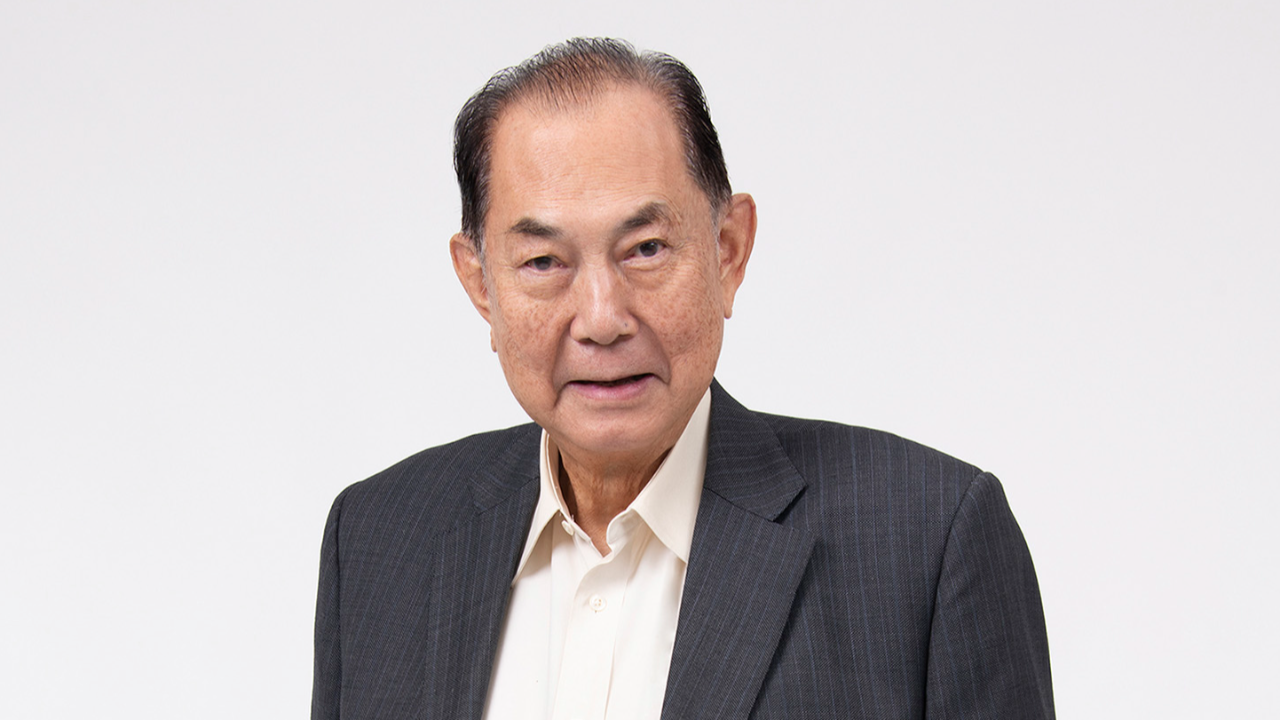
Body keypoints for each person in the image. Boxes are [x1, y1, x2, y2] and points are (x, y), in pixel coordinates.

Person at [312, 37, 1054, 720]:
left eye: (646, 249)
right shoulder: (377, 541)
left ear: (728, 251)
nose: (601, 318)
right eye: (543, 262)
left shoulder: (927, 540)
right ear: (480, 284)